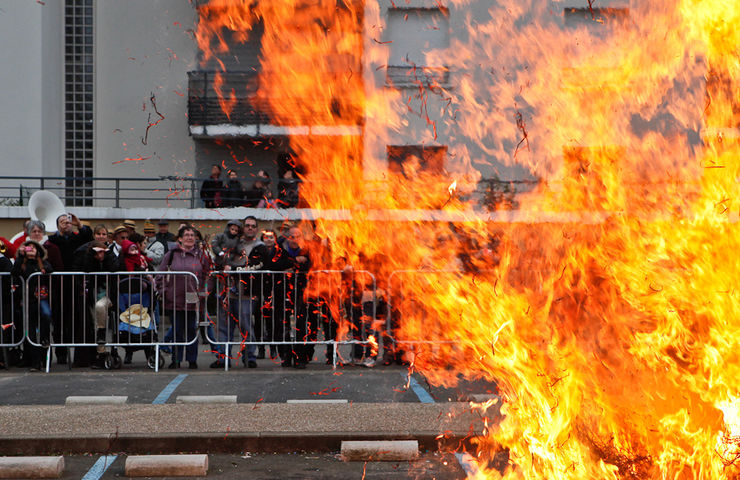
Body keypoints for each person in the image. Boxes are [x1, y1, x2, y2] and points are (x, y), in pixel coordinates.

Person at [156, 225, 211, 369]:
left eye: (192, 235)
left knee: (192, 329)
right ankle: (176, 359)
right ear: (180, 238)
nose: (190, 237)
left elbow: (208, 275)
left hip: (193, 297)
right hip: (174, 297)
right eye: (186, 235)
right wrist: (163, 291)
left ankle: (192, 360)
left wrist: (205, 291)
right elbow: (160, 273)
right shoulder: (171, 254)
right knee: (177, 329)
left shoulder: (201, 255)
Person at [48, 213, 93, 366]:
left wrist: (79, 224)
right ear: (57, 225)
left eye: (68, 222)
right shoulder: (52, 241)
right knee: (59, 320)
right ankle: (60, 353)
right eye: (62, 222)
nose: (66, 224)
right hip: (58, 285)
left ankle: (80, 354)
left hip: (75, 284)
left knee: (77, 319)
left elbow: (89, 238)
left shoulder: (77, 237)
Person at [248, 229, 292, 366]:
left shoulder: (281, 252)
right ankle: (260, 348)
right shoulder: (256, 250)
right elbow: (253, 265)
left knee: (274, 320)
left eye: (271, 237)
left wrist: (270, 266)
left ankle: (274, 348)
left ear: (275, 238)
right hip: (259, 289)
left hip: (277, 290)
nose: (268, 239)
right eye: (266, 237)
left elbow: (287, 263)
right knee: (259, 319)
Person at [12, 240, 53, 371]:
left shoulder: (42, 262)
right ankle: (35, 362)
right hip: (27, 300)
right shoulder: (22, 264)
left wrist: (44, 269)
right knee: (30, 331)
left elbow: (50, 269)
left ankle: (45, 343)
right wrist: (20, 255)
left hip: (41, 298)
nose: (31, 249)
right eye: (29, 247)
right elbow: (15, 272)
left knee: (46, 315)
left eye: (34, 248)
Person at [282, 227, 313, 368]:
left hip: (303, 292)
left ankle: (301, 356)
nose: (294, 239)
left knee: (301, 324)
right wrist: (295, 261)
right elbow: (276, 264)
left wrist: (293, 264)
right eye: (292, 236)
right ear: (288, 237)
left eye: (297, 236)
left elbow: (311, 264)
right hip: (283, 290)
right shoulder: (280, 248)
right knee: (284, 325)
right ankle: (287, 356)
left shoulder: (308, 248)